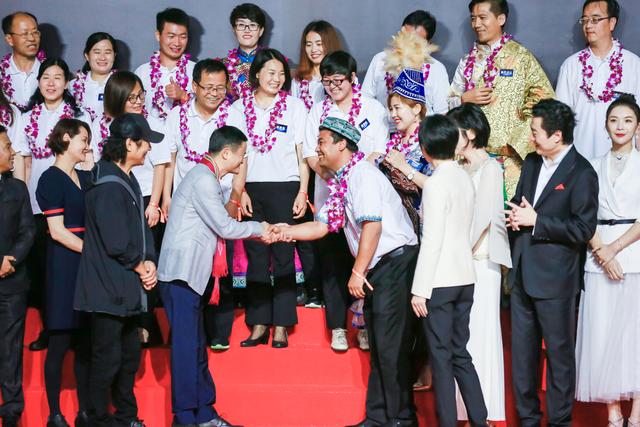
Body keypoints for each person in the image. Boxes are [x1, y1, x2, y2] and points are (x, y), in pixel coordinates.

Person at [272, 116, 419, 427]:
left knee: (391, 346)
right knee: (379, 345)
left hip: (395, 263)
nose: (317, 149)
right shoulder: (342, 181)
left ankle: (401, 419)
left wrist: (357, 272)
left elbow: (373, 226)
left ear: (341, 145)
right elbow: (321, 227)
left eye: (322, 142)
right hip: (380, 267)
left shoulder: (363, 175)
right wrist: (284, 231)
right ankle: (378, 417)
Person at [158, 125, 273, 427]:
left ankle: (205, 413)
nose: (242, 161)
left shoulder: (205, 177)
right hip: (180, 276)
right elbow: (225, 226)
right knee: (186, 349)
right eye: (241, 155)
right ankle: (185, 418)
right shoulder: (203, 179)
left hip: (190, 277)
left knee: (197, 346)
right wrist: (260, 228)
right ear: (225, 153)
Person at [505, 99, 598, 427]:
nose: (530, 137)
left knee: (559, 358)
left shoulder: (582, 172)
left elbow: (583, 228)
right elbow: (520, 202)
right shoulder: (531, 162)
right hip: (522, 273)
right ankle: (528, 420)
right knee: (523, 358)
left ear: (557, 135)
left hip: (557, 280)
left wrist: (537, 221)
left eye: (535, 132)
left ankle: (559, 422)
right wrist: (514, 216)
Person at [74, 114, 163, 427]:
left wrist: (149, 261)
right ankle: (96, 419)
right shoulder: (108, 185)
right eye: (145, 143)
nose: (149, 148)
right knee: (107, 360)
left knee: (128, 358)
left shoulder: (127, 179)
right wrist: (141, 266)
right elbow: (116, 241)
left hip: (126, 288)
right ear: (129, 144)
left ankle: (126, 417)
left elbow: (141, 231)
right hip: (106, 290)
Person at [303, 50, 388, 351]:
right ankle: (338, 326)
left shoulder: (373, 108)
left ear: (353, 78)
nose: (333, 87)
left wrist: (353, 175)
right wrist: (335, 177)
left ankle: (363, 326)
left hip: (363, 200)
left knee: (363, 262)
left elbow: (379, 150)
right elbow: (311, 155)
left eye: (339, 80)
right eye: (327, 82)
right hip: (330, 198)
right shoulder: (318, 111)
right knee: (332, 262)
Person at [228, 48, 309, 348]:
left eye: (281, 74)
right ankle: (259, 322)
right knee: (257, 256)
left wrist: (302, 191)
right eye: (271, 73)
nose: (277, 79)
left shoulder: (295, 107)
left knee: (284, 253)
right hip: (251, 188)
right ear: (257, 74)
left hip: (285, 187)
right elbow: (238, 156)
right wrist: (241, 191)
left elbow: (303, 155)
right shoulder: (239, 108)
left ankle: (282, 324)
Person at [410, 114, 487, 427]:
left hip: (439, 281)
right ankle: (480, 420)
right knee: (460, 354)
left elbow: (432, 240)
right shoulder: (463, 177)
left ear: (424, 148)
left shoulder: (435, 184)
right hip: (465, 276)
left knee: (441, 358)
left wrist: (419, 289)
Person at [13, 58, 93, 352]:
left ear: (67, 83)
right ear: (38, 82)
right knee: (44, 269)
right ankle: (52, 328)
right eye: (46, 77)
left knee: (72, 270)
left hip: (71, 201)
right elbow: (23, 160)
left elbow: (89, 158)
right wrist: (22, 200)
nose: (51, 83)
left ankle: (76, 329)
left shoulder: (79, 116)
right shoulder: (27, 116)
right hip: (37, 203)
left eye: (58, 77)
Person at [163, 58, 243, 350]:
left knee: (221, 267)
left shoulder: (234, 114)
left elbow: (243, 161)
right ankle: (186, 329)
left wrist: (235, 197)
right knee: (187, 269)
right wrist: (167, 198)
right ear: (194, 86)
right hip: (188, 210)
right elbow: (170, 160)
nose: (214, 93)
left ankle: (219, 331)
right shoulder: (177, 117)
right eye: (208, 87)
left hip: (221, 202)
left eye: (220, 88)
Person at [575, 95, 640, 427]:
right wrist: (601, 251)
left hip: (634, 255)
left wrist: (614, 249)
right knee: (602, 333)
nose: (620, 126)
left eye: (627, 120)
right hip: (597, 256)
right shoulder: (592, 166)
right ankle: (613, 414)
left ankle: (637, 415)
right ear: (605, 125)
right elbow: (583, 213)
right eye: (614, 120)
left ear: (638, 127)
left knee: (633, 336)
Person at [449, 0, 554, 198]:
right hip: (468, 158)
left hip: (508, 160)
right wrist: (463, 99)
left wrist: (518, 132)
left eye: (482, 18)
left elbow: (545, 98)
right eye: (473, 18)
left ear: (501, 19)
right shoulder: (467, 61)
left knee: (505, 213)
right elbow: (448, 103)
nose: (476, 24)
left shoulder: (521, 57)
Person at [448, 104, 510, 425]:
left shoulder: (491, 168)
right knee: (461, 338)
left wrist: (457, 254)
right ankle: (463, 412)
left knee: (480, 336)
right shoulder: (457, 168)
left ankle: (482, 414)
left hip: (481, 264)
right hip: (459, 262)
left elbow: (483, 218)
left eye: (455, 132)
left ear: (471, 133)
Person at [35, 119, 93, 427]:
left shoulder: (84, 176)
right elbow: (57, 231)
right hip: (64, 264)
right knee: (59, 342)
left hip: (85, 264)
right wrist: (92, 252)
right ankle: (55, 414)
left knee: (85, 342)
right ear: (66, 138)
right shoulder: (50, 179)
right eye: (83, 139)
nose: (87, 146)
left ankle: (85, 411)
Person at [556, 0, 640, 160]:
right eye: (585, 20)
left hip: (623, 161)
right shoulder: (571, 65)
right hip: (580, 161)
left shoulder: (633, 64)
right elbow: (561, 120)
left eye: (595, 19)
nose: (588, 25)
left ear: (612, 23)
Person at [0, 126, 35, 427]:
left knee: (11, 347)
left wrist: (10, 259)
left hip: (12, 281)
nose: (13, 152)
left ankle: (12, 410)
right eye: (7, 146)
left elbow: (28, 231)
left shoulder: (17, 188)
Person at [362, 10, 449, 118]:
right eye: (405, 37)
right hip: (383, 126)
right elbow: (365, 99)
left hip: (421, 127)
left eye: (416, 41)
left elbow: (442, 113)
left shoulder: (437, 69)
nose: (408, 44)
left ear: (428, 44)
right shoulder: (380, 60)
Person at [134, 8, 194, 122]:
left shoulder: (196, 71)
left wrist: (183, 96)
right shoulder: (142, 72)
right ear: (158, 35)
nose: (177, 43)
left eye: (183, 37)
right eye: (171, 36)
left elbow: (207, 113)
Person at [292, 20, 342, 112]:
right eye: (309, 45)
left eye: (319, 44)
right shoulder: (298, 81)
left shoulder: (344, 77)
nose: (313, 49)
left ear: (329, 44)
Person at [222, 3, 267, 100]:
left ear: (261, 31)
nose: (247, 30)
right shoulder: (223, 65)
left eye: (252, 25)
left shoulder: (272, 62)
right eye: (241, 25)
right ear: (234, 30)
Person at [69, 32, 117, 121]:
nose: (102, 57)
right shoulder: (73, 86)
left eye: (107, 52)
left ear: (114, 55)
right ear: (87, 56)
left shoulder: (123, 84)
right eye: (97, 52)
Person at [1, 11, 43, 110]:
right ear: (9, 39)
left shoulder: (52, 72)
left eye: (35, 32)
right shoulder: (1, 73)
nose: (32, 38)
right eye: (24, 34)